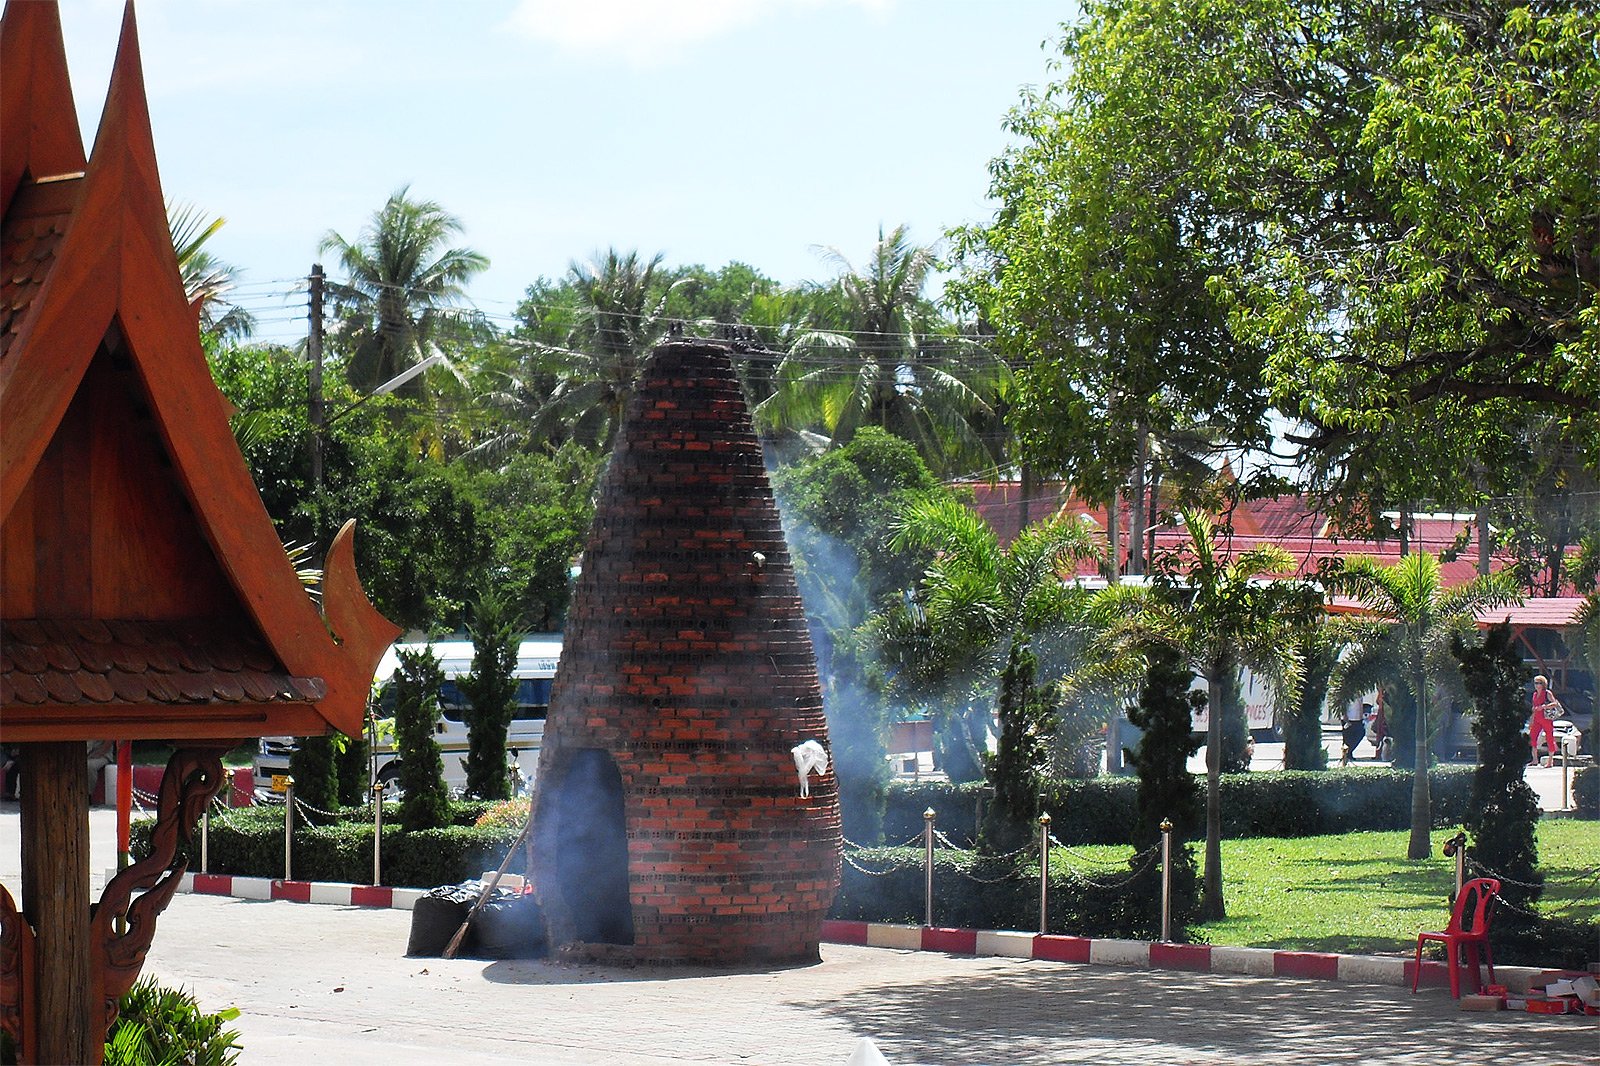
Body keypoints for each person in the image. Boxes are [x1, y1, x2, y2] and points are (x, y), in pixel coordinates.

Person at [1529, 675, 1561, 766]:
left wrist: (1544, 706)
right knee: (1532, 737)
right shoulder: (1535, 694)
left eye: (1539, 683)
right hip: (1537, 718)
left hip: (1546, 718)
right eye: (1536, 683)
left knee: (1549, 737)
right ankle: (1535, 759)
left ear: (1543, 684)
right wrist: (1531, 719)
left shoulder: (1547, 693)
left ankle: (1550, 760)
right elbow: (1534, 707)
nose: (1537, 685)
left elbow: (1555, 703)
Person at [1341, 701, 1367, 766]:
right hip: (1349, 718)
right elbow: (1343, 704)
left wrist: (1362, 717)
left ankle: (1348, 752)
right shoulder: (1348, 693)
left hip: (1358, 718)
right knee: (1348, 738)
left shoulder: (1359, 694)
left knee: (1360, 733)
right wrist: (1345, 716)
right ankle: (1347, 755)